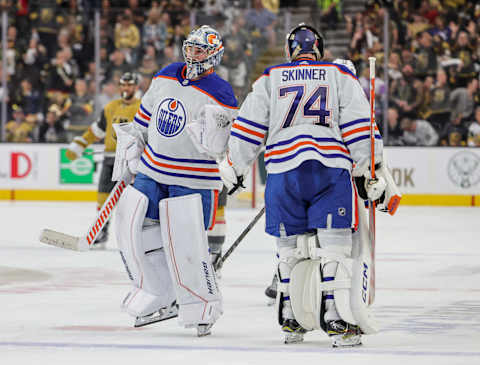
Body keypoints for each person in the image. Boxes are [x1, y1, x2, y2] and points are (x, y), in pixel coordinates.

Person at [219, 24, 399, 347]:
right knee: (335, 247)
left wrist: (235, 167)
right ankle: (334, 315)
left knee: (288, 250)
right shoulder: (337, 74)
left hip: (282, 173)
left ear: (290, 52)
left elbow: (247, 128)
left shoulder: (269, 78)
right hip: (327, 170)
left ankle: (290, 318)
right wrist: (369, 167)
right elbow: (359, 125)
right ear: (319, 51)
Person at [112, 25, 237, 337]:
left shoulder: (222, 92)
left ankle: (202, 303)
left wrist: (214, 138)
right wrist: (131, 146)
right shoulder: (167, 73)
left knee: (184, 241)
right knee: (133, 225)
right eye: (191, 47)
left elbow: (226, 144)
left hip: (193, 177)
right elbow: (145, 116)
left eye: (201, 49)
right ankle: (161, 291)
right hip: (153, 169)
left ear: (214, 55)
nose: (194, 54)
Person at [65, 72, 141, 248]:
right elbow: (96, 131)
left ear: (136, 87)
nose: (126, 88)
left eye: (129, 85)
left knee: (134, 200)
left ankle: (135, 235)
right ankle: (101, 232)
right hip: (109, 159)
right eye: (123, 84)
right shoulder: (110, 107)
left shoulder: (142, 107)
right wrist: (80, 145)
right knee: (103, 197)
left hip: (132, 162)